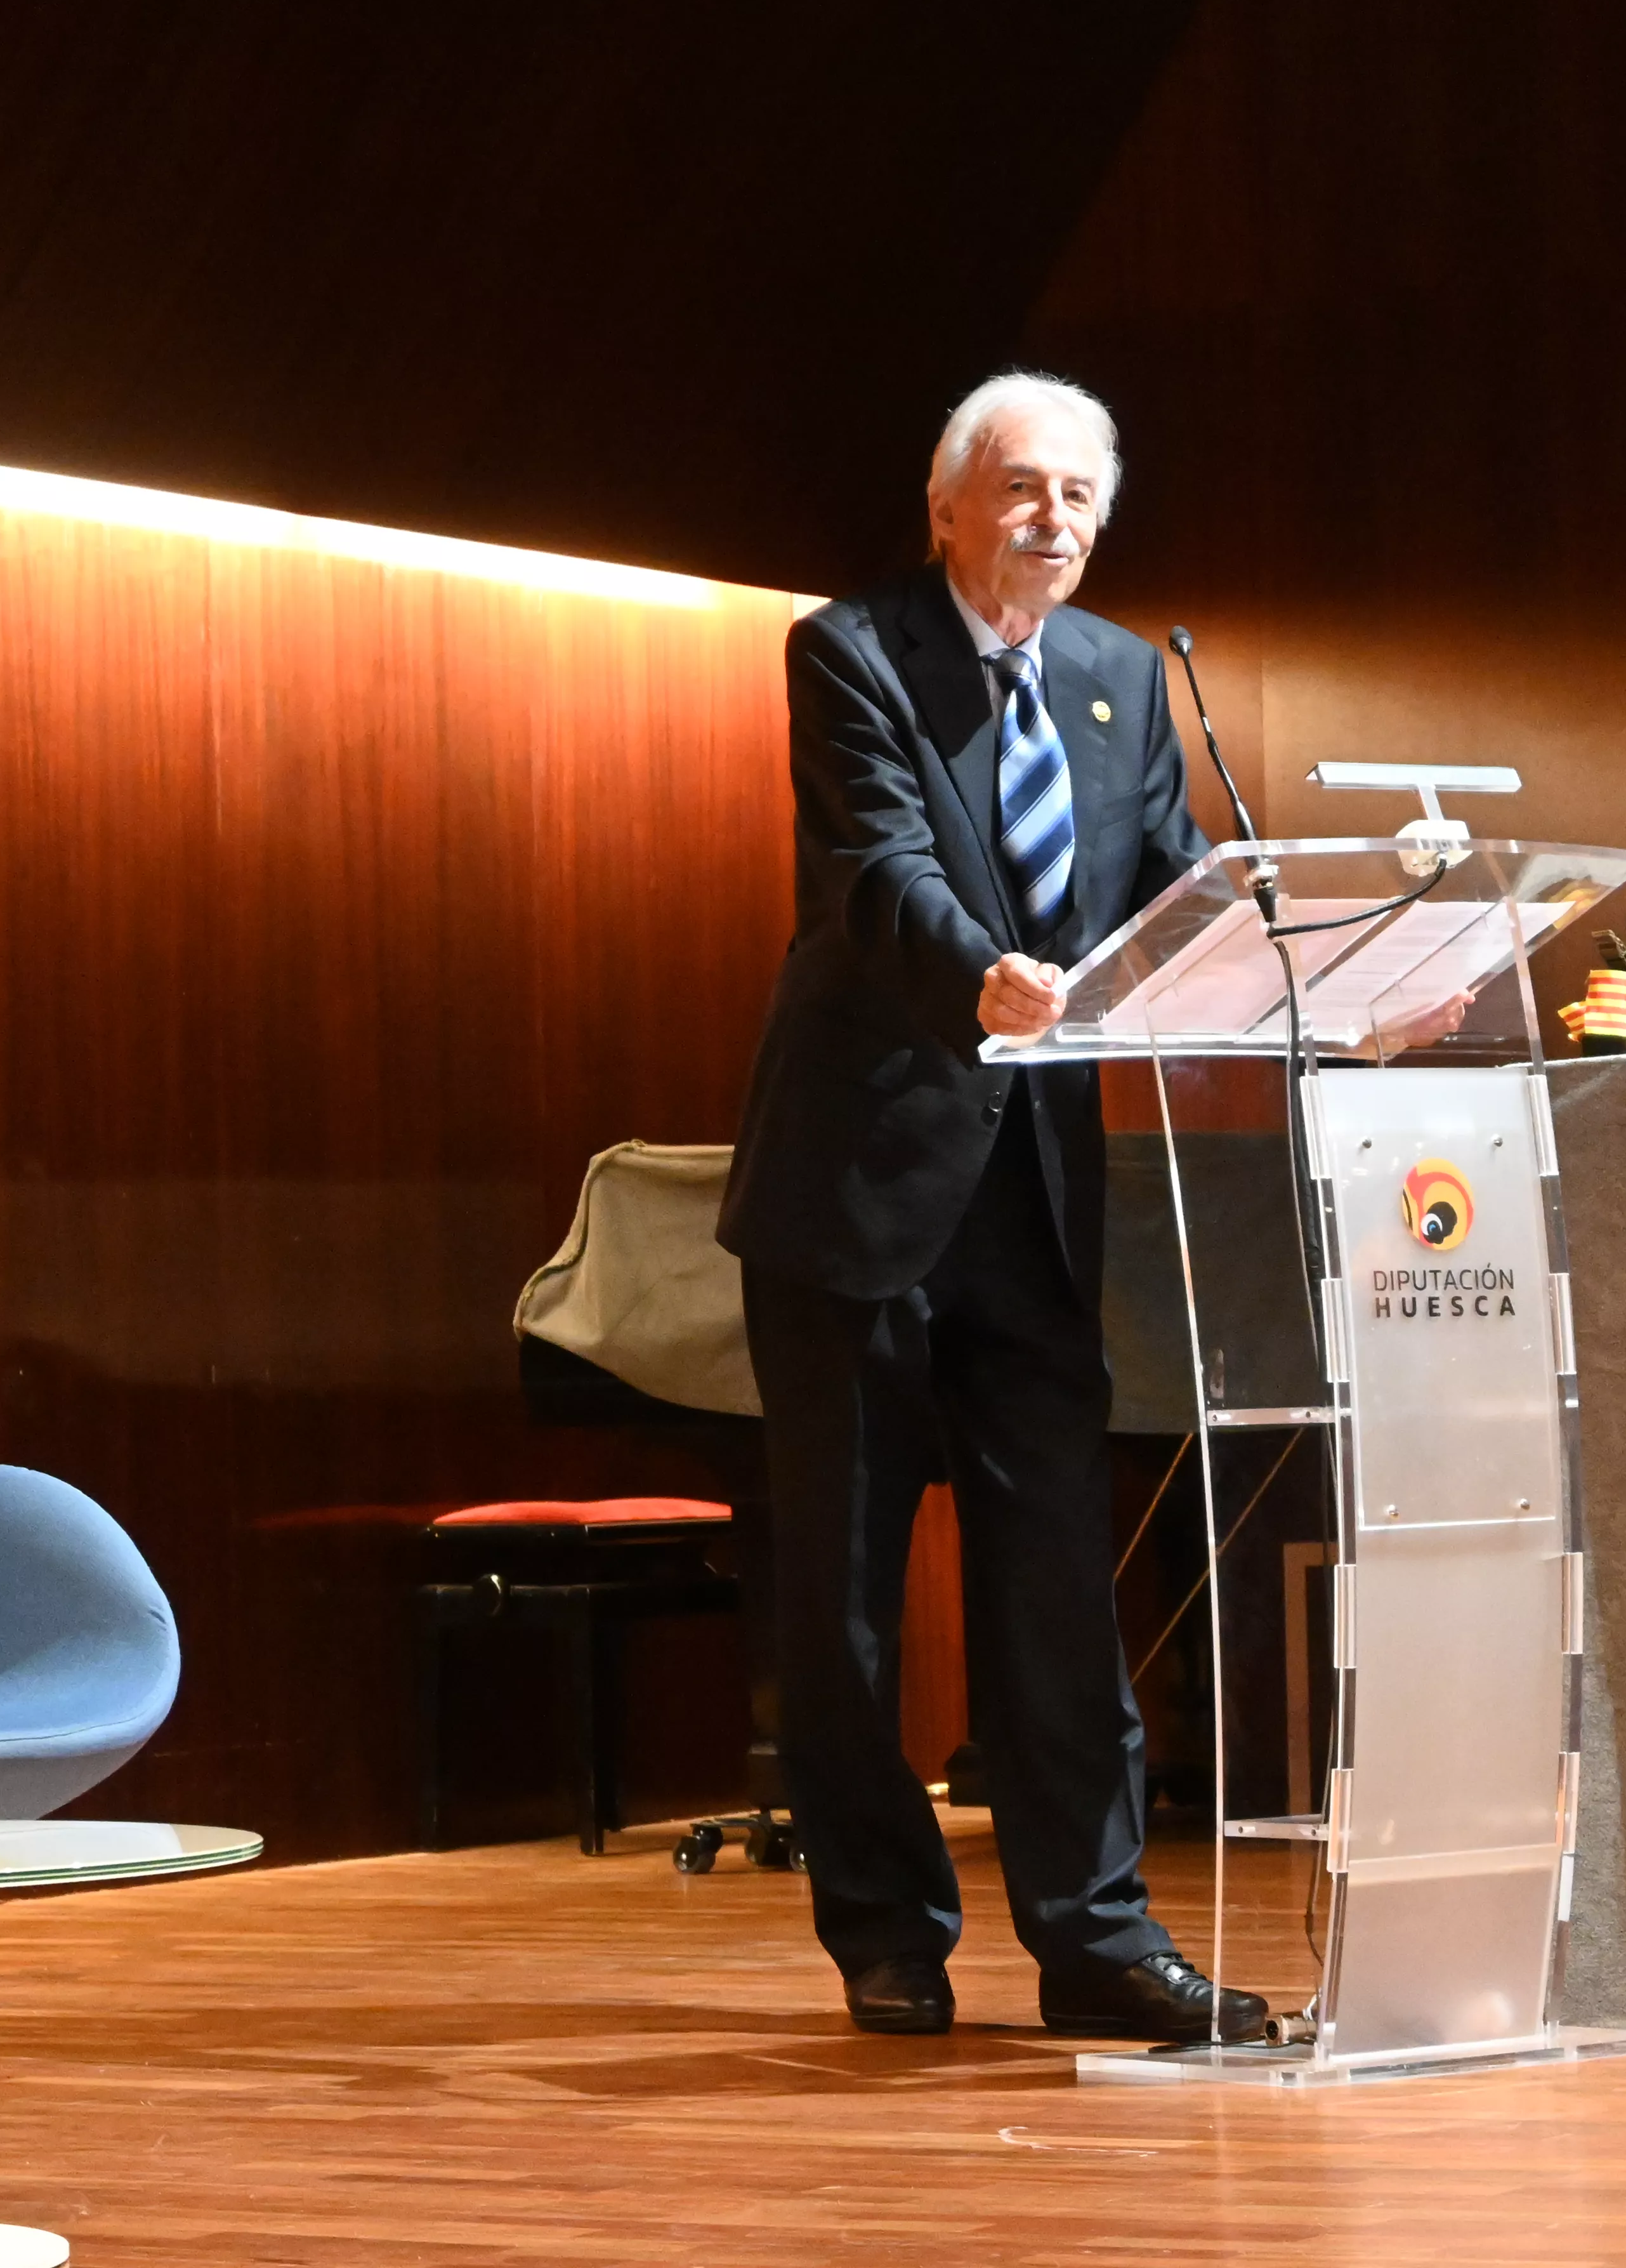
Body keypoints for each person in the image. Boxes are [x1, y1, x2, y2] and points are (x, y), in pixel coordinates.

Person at [718, 371, 1264, 2043]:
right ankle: (886, 1930)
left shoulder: (1123, 674)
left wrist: (1310, 971)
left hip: (1034, 1191)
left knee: (1055, 1585)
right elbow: (875, 873)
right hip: (860, 1186)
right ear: (948, 502)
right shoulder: (853, 652)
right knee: (849, 1596)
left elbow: (1172, 888)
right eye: (1022, 487)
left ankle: (1097, 1942)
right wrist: (986, 976)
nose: (1054, 519)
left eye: (1081, 496)